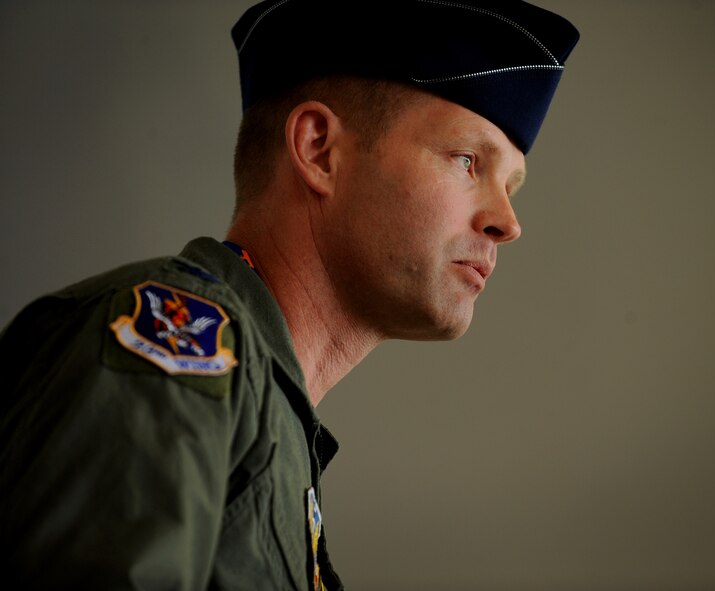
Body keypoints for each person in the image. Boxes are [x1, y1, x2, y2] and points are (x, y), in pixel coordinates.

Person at [0, 0, 579, 589]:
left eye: (510, 186)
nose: (507, 221)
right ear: (319, 149)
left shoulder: (271, 422)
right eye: (466, 160)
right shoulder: (169, 346)